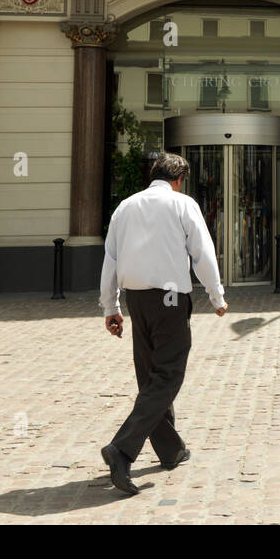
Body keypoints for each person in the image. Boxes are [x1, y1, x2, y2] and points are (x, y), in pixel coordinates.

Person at [99, 152, 227, 496]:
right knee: (168, 375)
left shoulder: (125, 207)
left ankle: (171, 450)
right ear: (179, 179)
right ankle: (122, 449)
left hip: (136, 299)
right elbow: (202, 252)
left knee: (151, 375)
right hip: (170, 297)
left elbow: (110, 259)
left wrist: (110, 306)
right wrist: (216, 296)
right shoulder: (182, 204)